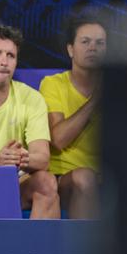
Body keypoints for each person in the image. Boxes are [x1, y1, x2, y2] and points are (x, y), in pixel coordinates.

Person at [0, 23, 60, 219]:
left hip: (13, 186)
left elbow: (42, 159)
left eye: (11, 55)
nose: (4, 61)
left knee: (46, 182)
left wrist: (20, 158)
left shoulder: (31, 98)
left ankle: (37, 250)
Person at [39, 16, 107, 219]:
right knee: (85, 177)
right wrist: (95, 101)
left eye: (100, 43)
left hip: (107, 179)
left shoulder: (120, 89)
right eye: (85, 42)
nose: (92, 48)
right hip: (66, 178)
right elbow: (58, 138)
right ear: (70, 49)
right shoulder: (53, 84)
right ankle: (87, 251)